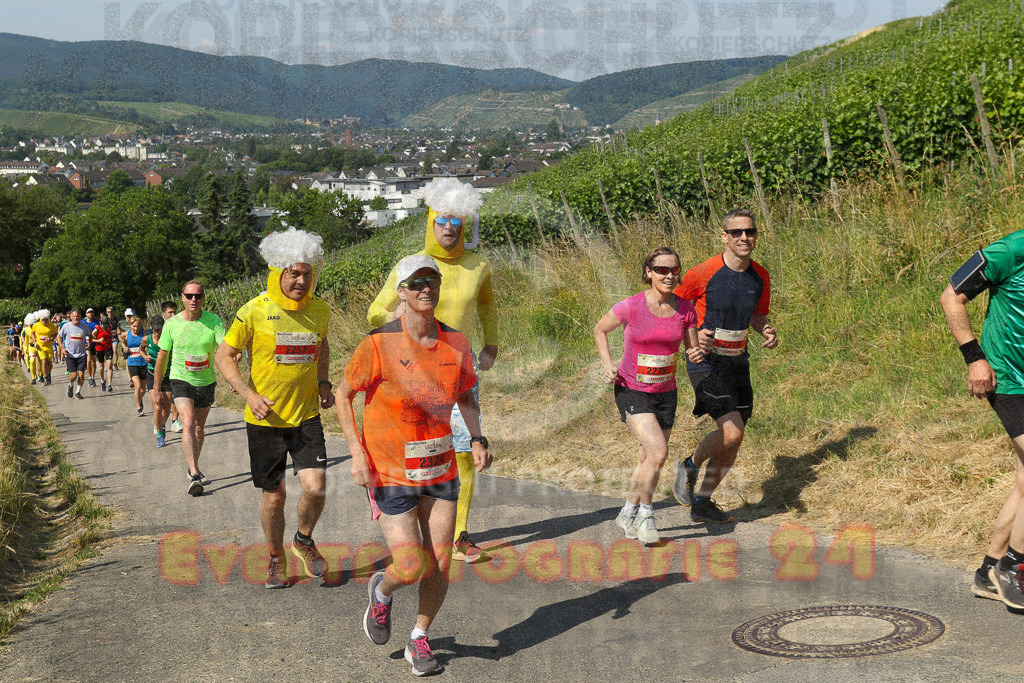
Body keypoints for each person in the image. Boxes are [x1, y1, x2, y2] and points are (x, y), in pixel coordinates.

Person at [339, 254, 492, 677]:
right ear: (401, 292)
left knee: (440, 562)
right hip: (390, 470)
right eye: (416, 283)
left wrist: (477, 437)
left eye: (432, 281)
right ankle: (382, 590)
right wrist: (356, 453)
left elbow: (465, 395)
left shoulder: (456, 343)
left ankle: (419, 637)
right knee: (410, 564)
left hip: (440, 467)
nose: (426, 289)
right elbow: (343, 394)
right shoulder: (378, 343)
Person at [367, 177, 498, 564]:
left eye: (456, 222)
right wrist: (391, 316)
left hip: (458, 371)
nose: (448, 228)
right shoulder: (412, 266)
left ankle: (459, 535)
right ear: (430, 222)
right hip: (412, 372)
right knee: (420, 449)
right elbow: (375, 309)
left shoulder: (478, 266)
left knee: (465, 451)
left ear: (466, 226)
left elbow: (487, 305)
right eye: (441, 221)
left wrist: (492, 343)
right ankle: (411, 524)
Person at [215, 228, 334, 589]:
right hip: (265, 420)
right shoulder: (254, 310)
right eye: (294, 273)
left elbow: (323, 346)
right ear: (278, 272)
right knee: (274, 497)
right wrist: (248, 395)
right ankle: (275, 558)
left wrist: (324, 382)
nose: (301, 281)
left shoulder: (319, 310)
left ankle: (303, 540)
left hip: (305, 416)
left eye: (307, 274)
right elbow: (225, 356)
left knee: (315, 487)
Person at [671, 208, 778, 524]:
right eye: (736, 232)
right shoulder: (703, 272)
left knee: (735, 437)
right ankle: (689, 465)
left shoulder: (760, 275)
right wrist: (693, 336)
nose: (744, 237)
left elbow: (758, 314)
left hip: (738, 362)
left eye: (750, 231)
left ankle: (702, 501)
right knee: (732, 432)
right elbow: (671, 309)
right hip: (705, 361)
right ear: (724, 237)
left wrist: (766, 330)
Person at [594, 247, 702, 544]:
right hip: (631, 389)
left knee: (647, 459)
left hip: (665, 392)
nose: (669, 276)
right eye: (662, 270)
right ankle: (646, 515)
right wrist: (608, 365)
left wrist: (697, 352)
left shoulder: (686, 310)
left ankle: (627, 512)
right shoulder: (631, 306)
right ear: (649, 272)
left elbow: (692, 350)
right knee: (658, 453)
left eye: (674, 270)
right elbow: (600, 330)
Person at [940, 232, 1024, 609]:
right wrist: (974, 358)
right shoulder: (1011, 250)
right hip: (1008, 379)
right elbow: (951, 296)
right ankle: (1014, 567)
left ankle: (988, 572)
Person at [154, 280, 226, 497]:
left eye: (198, 295)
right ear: (183, 298)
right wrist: (157, 389)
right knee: (188, 422)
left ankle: (192, 465)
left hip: (206, 380)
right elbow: (162, 356)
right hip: (180, 379)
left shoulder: (213, 321)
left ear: (203, 297)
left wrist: (235, 363)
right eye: (189, 295)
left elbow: (225, 349)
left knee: (199, 429)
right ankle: (195, 475)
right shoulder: (172, 324)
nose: (194, 299)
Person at [141, 316, 172, 447]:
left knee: (167, 406)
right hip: (152, 373)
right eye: (155, 329)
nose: (158, 332)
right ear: (151, 328)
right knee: (158, 405)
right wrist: (145, 356)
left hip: (167, 373)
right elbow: (141, 349)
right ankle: (159, 434)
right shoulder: (146, 339)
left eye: (160, 329)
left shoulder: (169, 339)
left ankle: (161, 424)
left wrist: (169, 356)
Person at [58, 308, 92, 400]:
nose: (76, 318)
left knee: (81, 374)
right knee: (73, 375)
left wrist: (89, 343)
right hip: (70, 355)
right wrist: (62, 348)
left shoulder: (84, 326)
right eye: (74, 316)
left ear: (80, 317)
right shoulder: (66, 326)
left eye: (77, 316)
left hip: (81, 354)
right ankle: (70, 384)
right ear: (71, 317)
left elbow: (90, 334)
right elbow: (59, 336)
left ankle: (78, 392)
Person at [161, 301, 183, 434]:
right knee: (166, 399)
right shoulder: (158, 327)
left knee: (177, 395)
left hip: (177, 367)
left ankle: (175, 421)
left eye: (175, 312)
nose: (173, 315)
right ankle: (161, 422)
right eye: (170, 312)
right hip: (163, 368)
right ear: (163, 313)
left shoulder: (180, 326)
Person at [123, 314, 148, 416]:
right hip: (132, 363)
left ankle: (139, 399)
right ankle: (139, 408)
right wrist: (124, 347)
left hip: (143, 362)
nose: (136, 328)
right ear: (130, 325)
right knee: (137, 385)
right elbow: (122, 340)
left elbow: (149, 342)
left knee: (143, 389)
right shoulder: (127, 334)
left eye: (138, 326)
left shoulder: (144, 333)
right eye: (134, 326)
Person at [31, 310, 58, 386]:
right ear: (40, 319)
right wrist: (35, 342)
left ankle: (49, 374)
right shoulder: (36, 325)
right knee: (44, 361)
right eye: (43, 319)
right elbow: (32, 333)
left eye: (46, 319)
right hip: (40, 347)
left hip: (49, 346)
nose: (44, 321)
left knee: (49, 363)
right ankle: (45, 378)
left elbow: (56, 334)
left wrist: (51, 338)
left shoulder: (51, 325)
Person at [93, 316, 114, 392]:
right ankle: (102, 381)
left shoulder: (109, 328)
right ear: (100, 322)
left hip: (108, 348)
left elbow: (110, 335)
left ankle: (109, 385)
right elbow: (90, 339)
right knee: (101, 366)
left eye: (106, 323)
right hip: (100, 349)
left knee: (109, 365)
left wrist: (112, 338)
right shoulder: (97, 329)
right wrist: (98, 341)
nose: (105, 325)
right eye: (104, 323)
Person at [82, 308, 99, 386]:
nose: (90, 314)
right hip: (86, 343)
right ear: (86, 314)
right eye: (89, 312)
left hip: (94, 343)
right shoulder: (83, 322)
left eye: (92, 312)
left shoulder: (97, 322)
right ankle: (89, 378)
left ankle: (93, 377)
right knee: (88, 360)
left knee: (93, 361)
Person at [22, 313, 39, 384]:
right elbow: (26, 339)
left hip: (39, 347)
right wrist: (26, 348)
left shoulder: (38, 327)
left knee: (40, 362)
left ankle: (41, 375)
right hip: (31, 347)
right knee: (32, 361)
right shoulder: (26, 329)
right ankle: (33, 378)